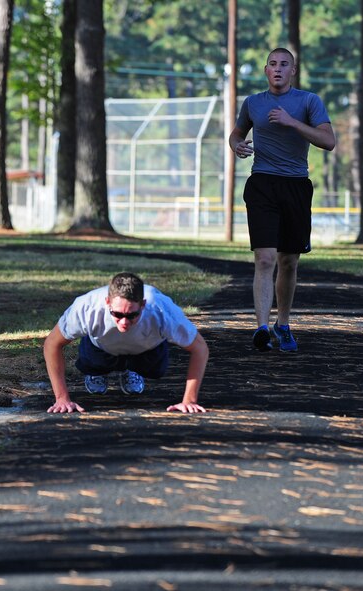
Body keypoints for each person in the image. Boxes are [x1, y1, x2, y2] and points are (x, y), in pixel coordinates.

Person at [229, 48, 336, 353]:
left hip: (296, 186)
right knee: (265, 258)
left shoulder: (308, 101)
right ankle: (261, 328)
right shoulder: (253, 103)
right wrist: (237, 145)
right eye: (273, 64)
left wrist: (293, 123)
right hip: (262, 183)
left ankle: (283, 324)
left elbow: (328, 141)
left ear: (293, 71)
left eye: (284, 64)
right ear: (266, 70)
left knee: (288, 262)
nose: (278, 69)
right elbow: (236, 133)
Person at [43, 272, 209, 414]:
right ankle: (98, 371)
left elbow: (200, 348)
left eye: (132, 315)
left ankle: (131, 369)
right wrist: (62, 399)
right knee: (93, 363)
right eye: (117, 314)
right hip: (101, 347)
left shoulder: (161, 310)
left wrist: (189, 400)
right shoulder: (86, 307)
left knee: (156, 370)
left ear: (143, 305)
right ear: (107, 302)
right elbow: (52, 344)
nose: (124, 322)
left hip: (147, 349)